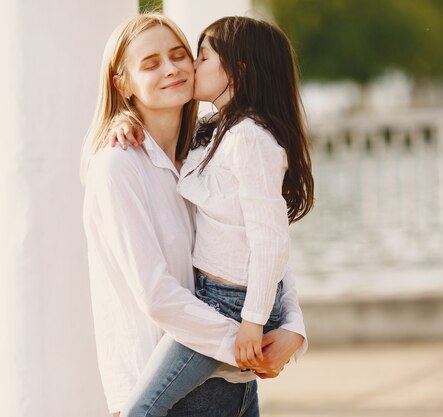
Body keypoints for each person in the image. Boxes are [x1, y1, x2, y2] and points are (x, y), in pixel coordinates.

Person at [81, 14, 307, 417]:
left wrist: (290, 327)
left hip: (234, 385)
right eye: (150, 63)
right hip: (171, 391)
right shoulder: (118, 165)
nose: (171, 69)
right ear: (122, 83)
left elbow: (261, 243)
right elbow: (157, 295)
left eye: (181, 55)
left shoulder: (211, 150)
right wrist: (247, 345)